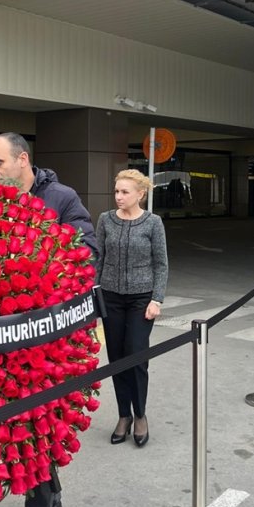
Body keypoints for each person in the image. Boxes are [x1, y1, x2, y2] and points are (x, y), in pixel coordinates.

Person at [0, 133, 98, 507]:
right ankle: (50, 502)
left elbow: (87, 252)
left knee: (36, 426)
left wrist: (37, 266)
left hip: (49, 339)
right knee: (21, 424)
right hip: (4, 336)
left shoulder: (62, 198)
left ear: (22, 159)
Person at [95, 169, 168, 448]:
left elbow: (160, 264)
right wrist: (94, 295)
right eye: (117, 191)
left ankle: (140, 415)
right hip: (111, 298)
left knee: (136, 357)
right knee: (116, 359)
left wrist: (156, 299)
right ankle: (123, 415)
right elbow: (99, 259)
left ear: (141, 194)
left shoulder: (153, 223)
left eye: (125, 192)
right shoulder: (106, 220)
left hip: (141, 300)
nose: (119, 197)